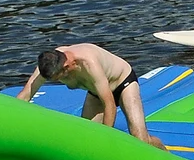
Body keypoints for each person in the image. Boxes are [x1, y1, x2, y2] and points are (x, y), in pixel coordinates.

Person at [15, 45, 165, 149]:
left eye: (56, 78)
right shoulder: (49, 63)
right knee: (87, 138)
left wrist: (108, 139)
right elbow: (26, 93)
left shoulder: (89, 64)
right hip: (96, 92)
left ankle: (165, 154)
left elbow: (109, 104)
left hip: (123, 83)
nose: (54, 81)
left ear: (66, 67)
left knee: (140, 139)